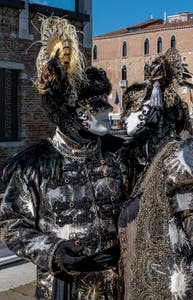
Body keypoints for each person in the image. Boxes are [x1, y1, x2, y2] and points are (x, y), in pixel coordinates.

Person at [0, 16, 126, 300]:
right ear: (70, 111)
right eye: (94, 107)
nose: (105, 111)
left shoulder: (118, 156)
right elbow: (12, 226)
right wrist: (53, 250)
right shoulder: (33, 165)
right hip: (63, 287)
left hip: (117, 284)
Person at [118, 48, 193, 299]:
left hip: (171, 177)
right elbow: (130, 126)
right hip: (141, 179)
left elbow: (184, 137)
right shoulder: (136, 98)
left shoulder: (176, 107)